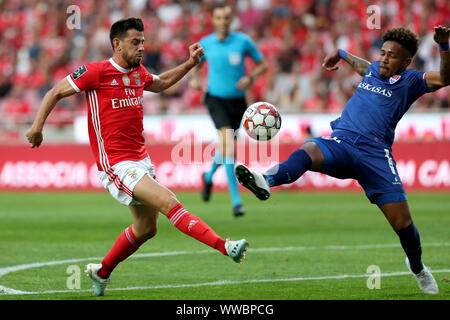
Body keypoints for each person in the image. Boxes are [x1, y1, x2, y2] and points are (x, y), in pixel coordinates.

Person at [25, 18, 249, 297]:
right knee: (169, 201)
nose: (142, 47)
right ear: (117, 44)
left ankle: (101, 272)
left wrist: (190, 64)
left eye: (143, 41)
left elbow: (161, 82)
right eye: (135, 42)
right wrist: (37, 127)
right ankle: (224, 246)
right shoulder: (95, 73)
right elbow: (55, 91)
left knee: (146, 228)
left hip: (141, 160)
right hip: (116, 165)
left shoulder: (138, 73)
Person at [235, 25, 450, 294]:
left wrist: (443, 45)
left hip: (375, 155)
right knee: (310, 149)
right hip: (342, 143)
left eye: (391, 56)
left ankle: (417, 267)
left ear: (406, 62)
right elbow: (362, 65)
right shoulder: (373, 69)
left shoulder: (412, 81)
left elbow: (445, 78)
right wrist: (339, 53)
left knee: (403, 225)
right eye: (382, 53)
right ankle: (265, 180)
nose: (383, 58)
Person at [189, 3, 268, 217]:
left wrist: (250, 77)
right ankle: (236, 202)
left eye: (226, 18)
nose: (223, 22)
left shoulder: (242, 41)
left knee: (226, 148)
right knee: (230, 147)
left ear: (230, 19)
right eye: (219, 18)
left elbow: (263, 65)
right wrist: (195, 79)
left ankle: (207, 177)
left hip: (238, 102)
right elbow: (195, 65)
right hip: (215, 99)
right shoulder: (206, 44)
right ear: (213, 20)